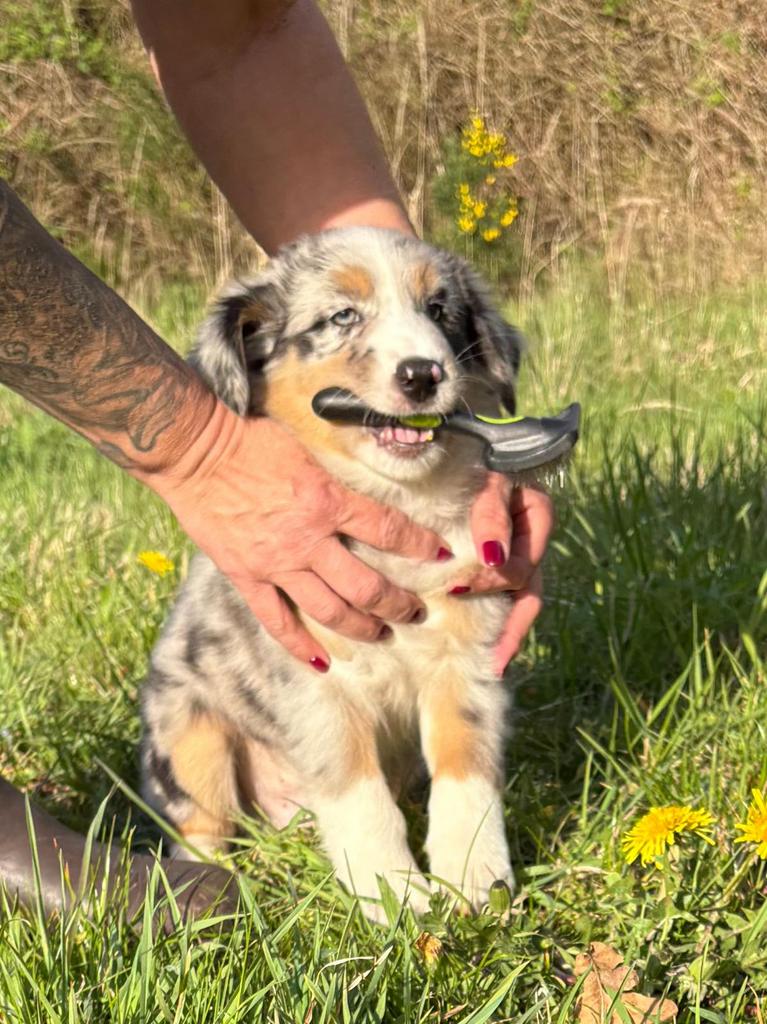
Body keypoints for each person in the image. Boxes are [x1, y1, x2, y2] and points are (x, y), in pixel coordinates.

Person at [0, 0, 553, 924]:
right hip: (256, 736)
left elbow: (242, 30)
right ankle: (204, 849)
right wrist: (199, 446)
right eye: (341, 323)